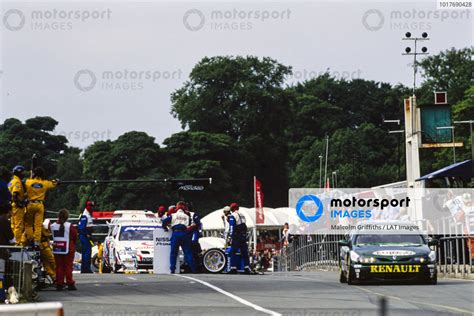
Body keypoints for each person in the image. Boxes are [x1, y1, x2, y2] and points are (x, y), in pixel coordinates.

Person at [24, 167, 58, 247]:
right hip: (40, 205)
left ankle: (30, 238)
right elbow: (53, 183)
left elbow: (25, 187)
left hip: (30, 204)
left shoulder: (28, 182)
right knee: (38, 225)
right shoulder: (45, 183)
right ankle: (36, 242)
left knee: (28, 224)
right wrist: (56, 181)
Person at [162, 201, 196, 274]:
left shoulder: (173, 215)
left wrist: (165, 228)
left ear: (177, 207)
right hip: (184, 234)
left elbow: (164, 222)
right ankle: (193, 269)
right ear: (184, 208)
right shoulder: (187, 216)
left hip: (176, 233)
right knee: (188, 253)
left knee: (173, 253)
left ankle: (172, 269)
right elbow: (189, 225)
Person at [51, 209, 77, 291]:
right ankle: (70, 283)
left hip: (57, 248)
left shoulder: (53, 226)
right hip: (68, 248)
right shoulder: (70, 226)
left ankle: (59, 283)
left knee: (59, 267)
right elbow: (75, 236)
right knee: (68, 266)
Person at [227, 202, 253, 274]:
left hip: (236, 236)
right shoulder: (242, 214)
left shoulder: (233, 215)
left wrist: (230, 236)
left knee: (232, 252)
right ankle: (246, 267)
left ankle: (233, 268)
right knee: (244, 252)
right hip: (243, 235)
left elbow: (232, 227)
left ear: (232, 209)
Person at [8, 165, 27, 246]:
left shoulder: (11, 181)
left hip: (12, 206)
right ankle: (17, 243)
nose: (23, 174)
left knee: (13, 225)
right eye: (22, 172)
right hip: (17, 207)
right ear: (18, 172)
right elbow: (15, 194)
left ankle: (13, 241)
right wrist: (20, 203)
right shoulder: (17, 182)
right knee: (19, 226)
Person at [77, 201, 94, 273]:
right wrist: (86, 234)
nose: (92, 208)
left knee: (85, 252)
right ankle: (86, 268)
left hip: (86, 236)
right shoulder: (85, 216)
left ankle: (84, 268)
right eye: (91, 206)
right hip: (85, 237)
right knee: (86, 252)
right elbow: (80, 228)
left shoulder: (88, 214)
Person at [40, 219, 56, 283]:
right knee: (53, 261)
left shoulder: (40, 227)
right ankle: (58, 278)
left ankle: (55, 278)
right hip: (44, 247)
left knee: (47, 265)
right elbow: (47, 234)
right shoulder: (42, 228)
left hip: (42, 247)